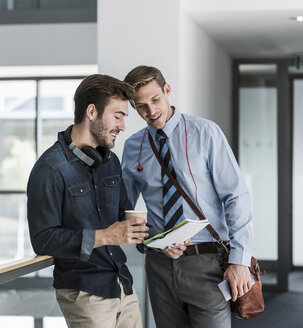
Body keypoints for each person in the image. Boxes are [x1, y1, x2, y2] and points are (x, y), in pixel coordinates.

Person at [121, 65, 254, 328]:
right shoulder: (133, 146)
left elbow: (236, 196)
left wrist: (240, 260)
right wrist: (150, 240)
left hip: (209, 263)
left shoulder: (205, 133)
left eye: (155, 99)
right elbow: (123, 209)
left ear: (167, 90)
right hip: (159, 266)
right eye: (141, 106)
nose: (151, 111)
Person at [27, 74, 149, 328]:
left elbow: (121, 217)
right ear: (91, 111)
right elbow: (43, 239)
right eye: (118, 116)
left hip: (122, 286)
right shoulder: (50, 168)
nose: (123, 126)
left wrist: (160, 240)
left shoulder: (110, 162)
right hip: (85, 294)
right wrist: (105, 236)